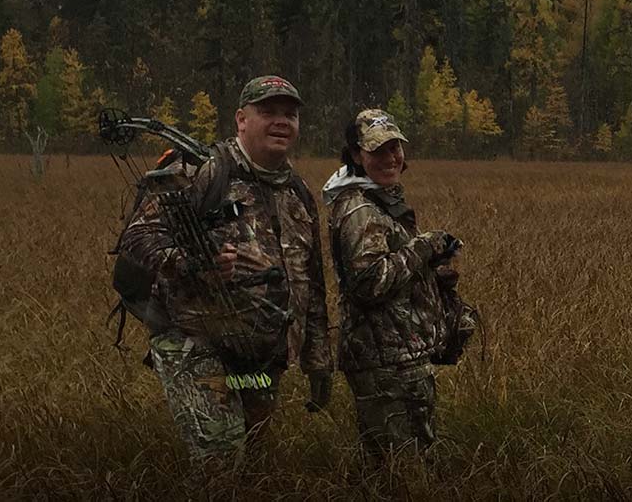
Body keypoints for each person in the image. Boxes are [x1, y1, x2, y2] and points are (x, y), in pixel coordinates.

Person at [116, 75, 334, 465]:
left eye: (290, 114)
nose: (281, 121)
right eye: (267, 111)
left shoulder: (298, 192)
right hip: (197, 346)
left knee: (255, 460)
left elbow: (310, 283)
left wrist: (317, 361)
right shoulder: (201, 170)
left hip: (261, 358)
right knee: (221, 460)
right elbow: (138, 238)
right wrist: (193, 266)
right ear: (241, 120)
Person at [323, 108, 472, 461]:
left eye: (395, 147)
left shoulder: (380, 201)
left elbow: (390, 269)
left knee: (408, 461)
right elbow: (370, 282)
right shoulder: (360, 210)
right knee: (399, 469)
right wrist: (425, 247)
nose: (391, 158)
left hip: (399, 356)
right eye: (378, 151)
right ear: (358, 155)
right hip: (384, 364)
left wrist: (431, 275)